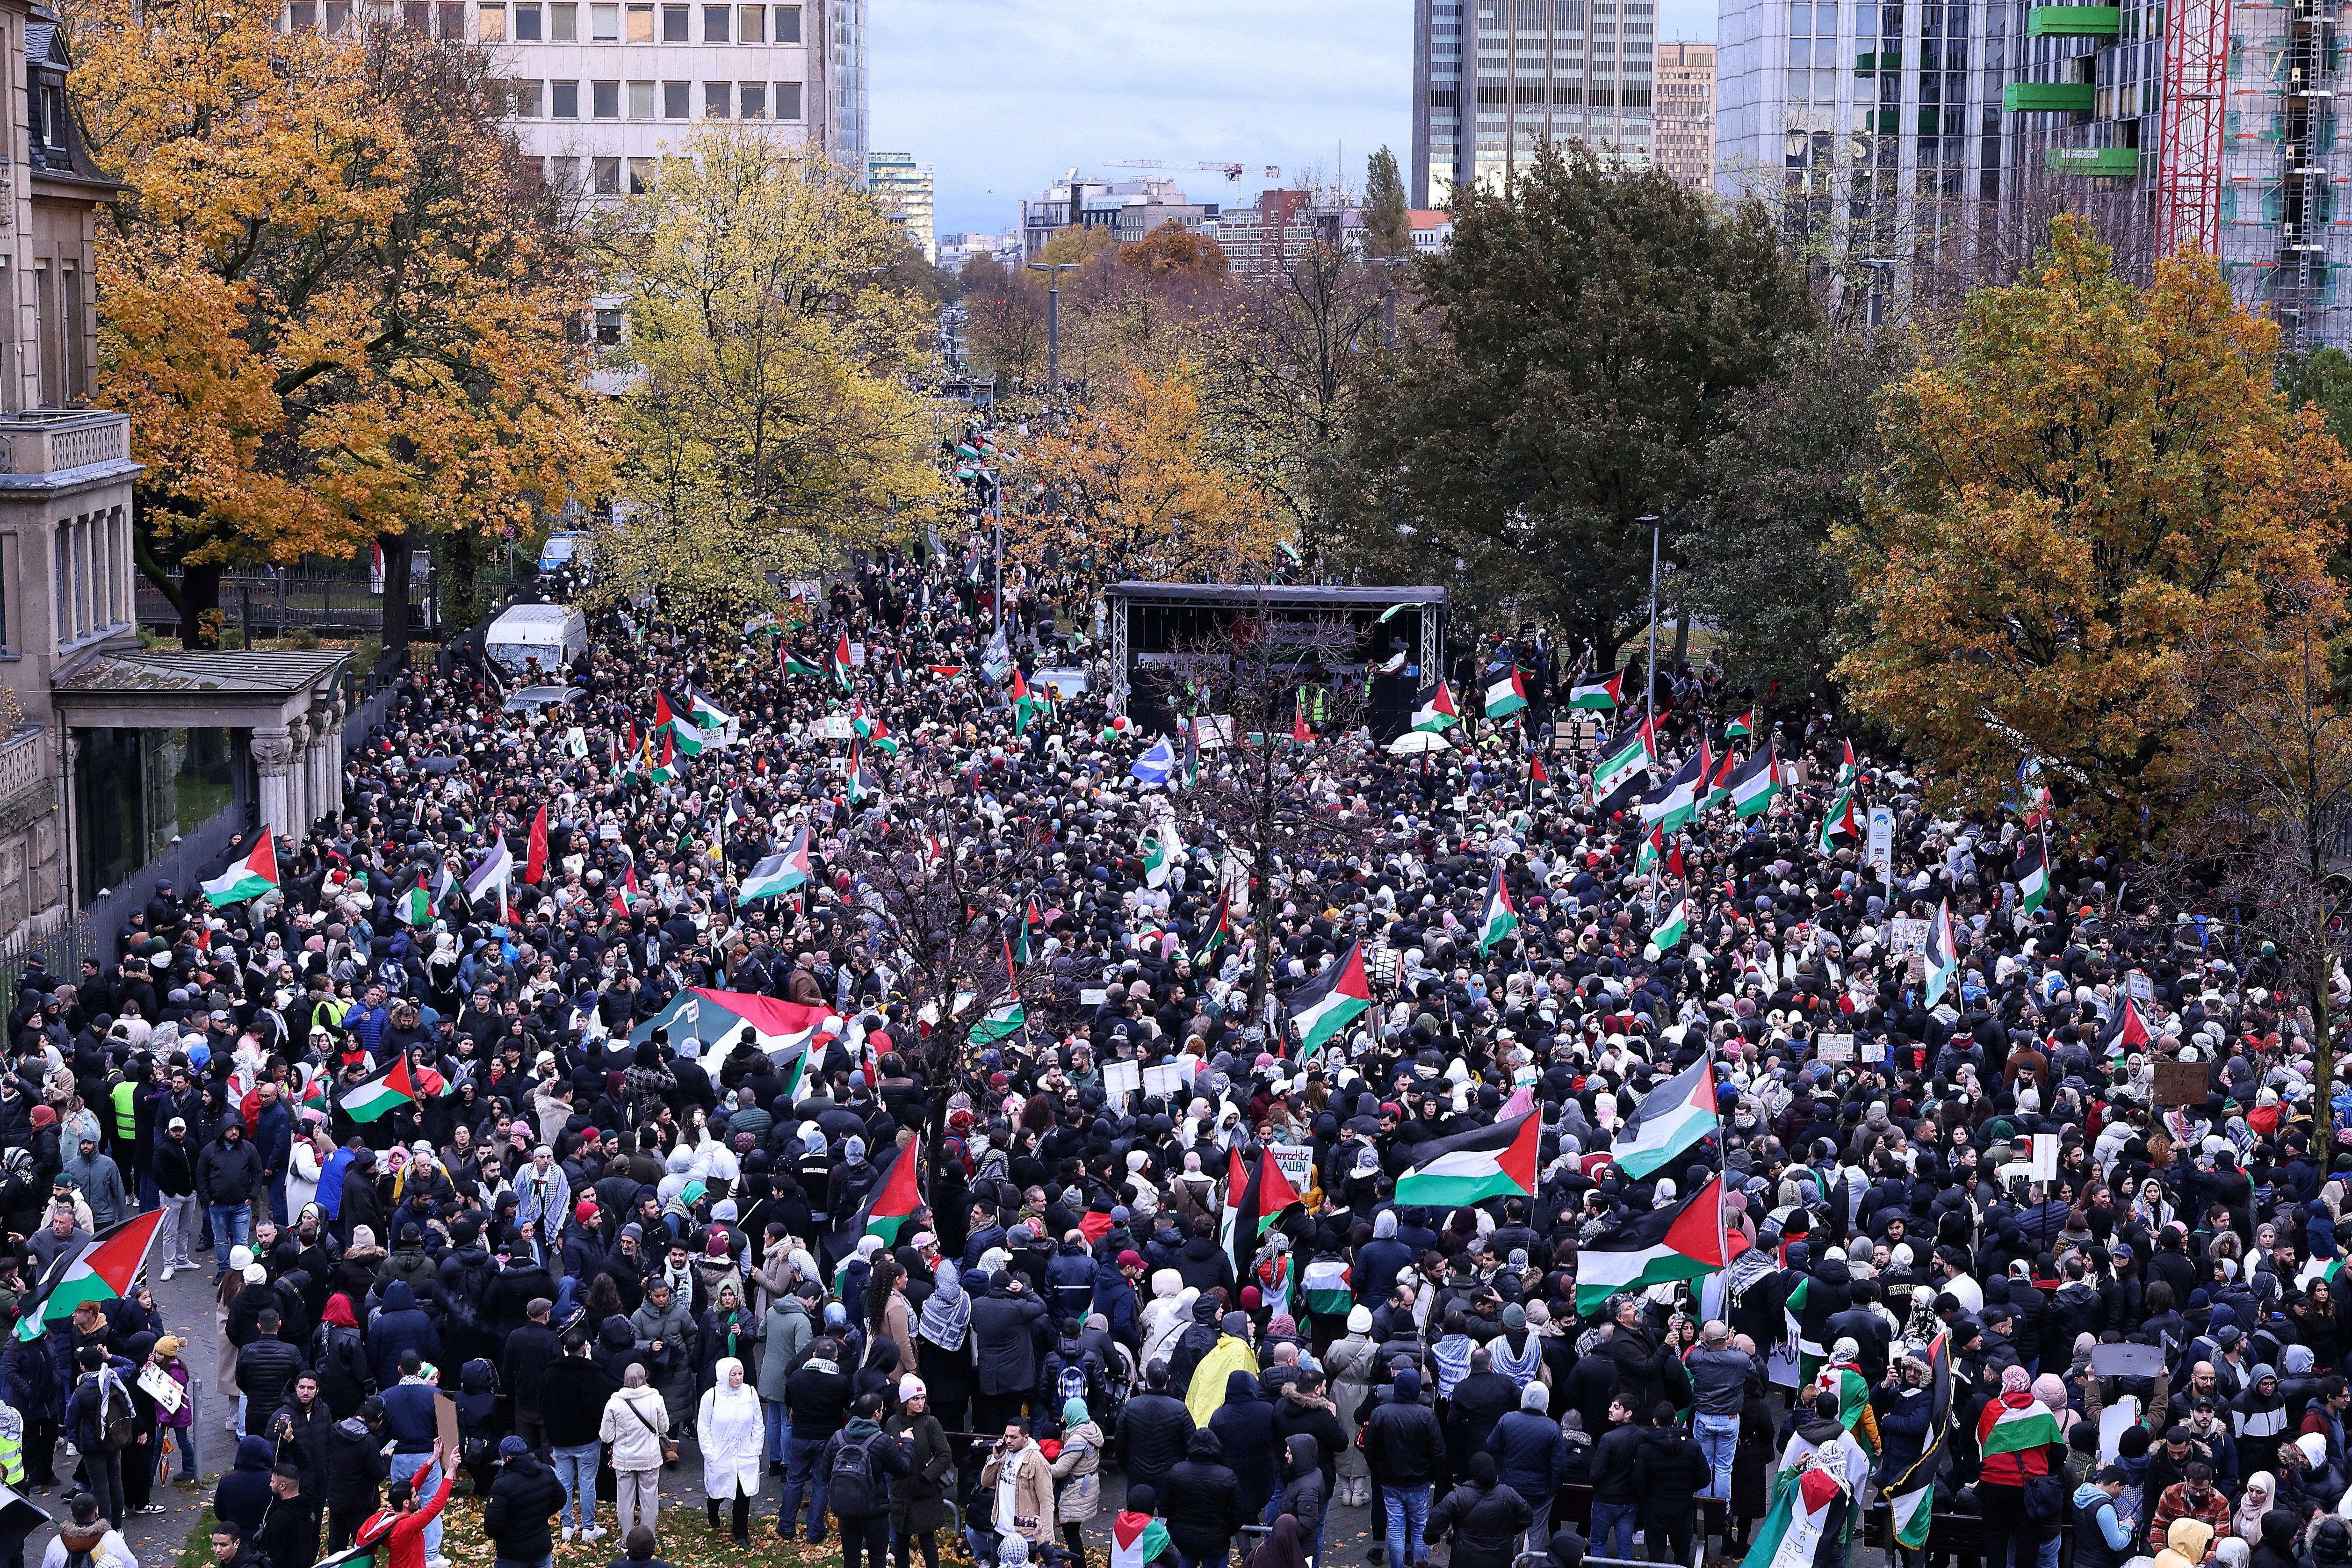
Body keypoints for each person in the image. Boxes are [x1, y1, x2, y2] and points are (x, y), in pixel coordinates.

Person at [540, 1329, 619, 1543]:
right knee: (587, 1483)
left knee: (564, 1481)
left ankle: (567, 1525)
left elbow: (543, 1403)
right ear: (585, 1347)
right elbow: (601, 1408)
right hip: (586, 1439)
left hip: (560, 1439)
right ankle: (588, 1527)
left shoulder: (551, 1372)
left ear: (565, 1348)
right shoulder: (594, 1374)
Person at [821, 1391, 910, 1568]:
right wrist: (908, 1443)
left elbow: (825, 1474)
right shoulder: (882, 1441)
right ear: (876, 1413)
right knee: (877, 1560)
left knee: (851, 1560)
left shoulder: (838, 1438)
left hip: (846, 1510)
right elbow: (903, 1470)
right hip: (875, 1512)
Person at [1366, 1368, 1445, 1568]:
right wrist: (1432, 1477)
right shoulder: (1427, 1416)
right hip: (1419, 1482)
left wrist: (1378, 1471)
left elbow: (1370, 1449)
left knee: (1395, 1528)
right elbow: (1438, 1452)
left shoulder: (1380, 1413)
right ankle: (1420, 1565)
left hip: (1390, 1481)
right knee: (1420, 1528)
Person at [696, 1356, 765, 1548]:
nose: (738, 1378)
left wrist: (755, 1448)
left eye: (740, 1373)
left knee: (743, 1494)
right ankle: (713, 1507)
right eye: (733, 1375)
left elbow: (758, 1423)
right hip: (721, 1454)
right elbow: (703, 1427)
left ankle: (741, 1533)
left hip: (745, 1453)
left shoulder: (750, 1394)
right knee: (719, 1490)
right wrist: (710, 1453)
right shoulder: (711, 1397)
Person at [887, 1376, 955, 1568]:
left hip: (925, 1494)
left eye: (923, 1398)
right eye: (915, 1398)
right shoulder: (893, 1423)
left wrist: (927, 1477)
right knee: (901, 1541)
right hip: (901, 1492)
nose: (920, 1402)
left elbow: (945, 1454)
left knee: (928, 1541)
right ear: (905, 1401)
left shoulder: (930, 1423)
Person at [599, 1364, 669, 1543]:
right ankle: (649, 1538)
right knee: (649, 1498)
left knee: (625, 1500)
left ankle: (627, 1539)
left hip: (624, 1460)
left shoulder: (614, 1403)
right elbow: (665, 1428)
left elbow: (606, 1436)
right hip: (650, 1459)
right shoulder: (656, 1399)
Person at [1425, 1452, 1532, 1568]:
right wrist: (1509, 1531)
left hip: (1465, 1561)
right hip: (1499, 1561)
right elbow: (1527, 1517)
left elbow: (1434, 1523)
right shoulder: (1508, 1494)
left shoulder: (1458, 1496)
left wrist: (1432, 1539)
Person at [361, 1440, 455, 1568]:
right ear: (406, 1503)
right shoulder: (407, 1527)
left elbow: (413, 1485)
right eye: (415, 1496)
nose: (418, 1498)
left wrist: (433, 1459)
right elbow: (436, 1506)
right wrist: (451, 1470)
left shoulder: (391, 1516)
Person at [981, 1420, 1061, 1568]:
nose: (1009, 1441)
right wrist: (994, 1459)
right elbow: (986, 1482)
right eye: (1006, 1436)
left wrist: (1046, 1539)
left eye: (1014, 1437)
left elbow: (1047, 1502)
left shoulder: (1037, 1462)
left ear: (1026, 1437)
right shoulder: (1004, 1455)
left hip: (1024, 1535)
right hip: (1001, 1530)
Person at [1160, 1428, 1242, 1568]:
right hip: (1216, 1542)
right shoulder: (1227, 1476)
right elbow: (1238, 1514)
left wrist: (1175, 1525)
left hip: (1184, 1540)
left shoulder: (1176, 1472)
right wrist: (1225, 1531)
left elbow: (1164, 1506)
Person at [482, 1436, 567, 1568]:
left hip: (512, 1553)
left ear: (508, 1459)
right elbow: (561, 1499)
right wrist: (541, 1515)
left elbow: (492, 1526)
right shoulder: (546, 1471)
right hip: (541, 1545)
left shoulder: (502, 1485)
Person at [321, 1397, 390, 1554]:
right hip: (361, 1504)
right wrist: (386, 1458)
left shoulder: (335, 1429)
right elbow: (378, 1474)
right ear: (377, 1420)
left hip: (337, 1497)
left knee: (336, 1548)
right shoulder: (369, 1442)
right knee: (364, 1549)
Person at [45, 1495, 134, 1568]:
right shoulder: (112, 1538)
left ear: (73, 1515)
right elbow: (132, 1565)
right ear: (97, 1513)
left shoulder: (56, 1543)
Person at [258, 1462, 319, 1568]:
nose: (270, 1485)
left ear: (282, 1486)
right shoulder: (308, 1510)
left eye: (273, 1482)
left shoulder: (279, 1518)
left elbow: (272, 1557)